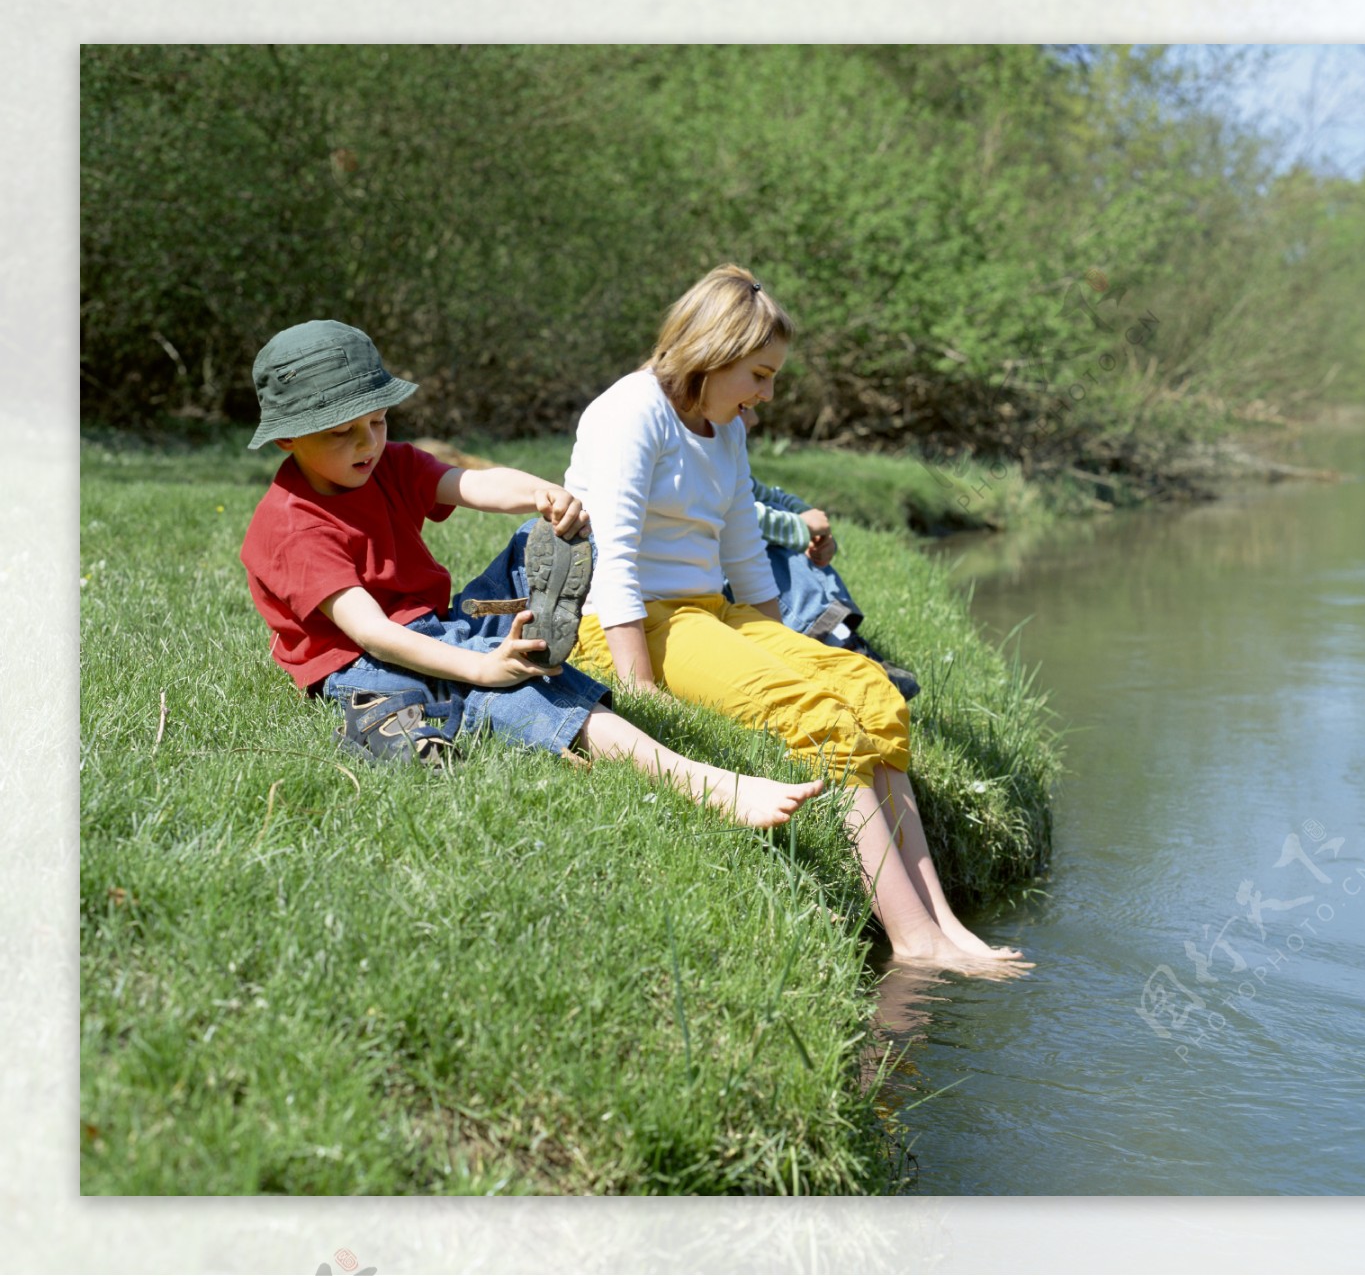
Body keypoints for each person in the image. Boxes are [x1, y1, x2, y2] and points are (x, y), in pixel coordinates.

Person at [564, 265, 1026, 967]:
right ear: (711, 353)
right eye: (759, 374)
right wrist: (641, 690)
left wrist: (781, 645)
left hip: (707, 612)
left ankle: (945, 923)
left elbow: (746, 554)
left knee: (871, 693)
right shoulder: (631, 413)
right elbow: (614, 558)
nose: (767, 394)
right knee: (816, 716)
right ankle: (913, 941)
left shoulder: (726, 430)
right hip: (623, 622)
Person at [238, 319, 823, 830]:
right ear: (288, 438)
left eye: (379, 420)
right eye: (342, 432)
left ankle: (515, 649)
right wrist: (480, 668)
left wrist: (541, 494)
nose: (367, 442)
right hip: (361, 659)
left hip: (430, 621)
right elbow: (371, 633)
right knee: (510, 687)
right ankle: (699, 781)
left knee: (533, 543)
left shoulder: (384, 464)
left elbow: (469, 484)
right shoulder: (293, 528)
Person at [737, 410, 921, 700]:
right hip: (706, 583)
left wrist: (808, 520)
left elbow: (769, 495)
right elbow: (734, 517)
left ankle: (844, 641)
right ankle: (834, 648)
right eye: (744, 409)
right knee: (761, 542)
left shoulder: (727, 463)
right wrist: (800, 528)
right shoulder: (699, 461)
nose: (756, 419)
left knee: (784, 520)